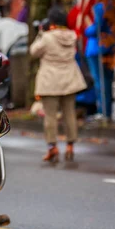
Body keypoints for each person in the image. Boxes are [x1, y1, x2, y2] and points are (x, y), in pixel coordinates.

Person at [30, 8, 87, 162]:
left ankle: (52, 147)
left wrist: (40, 33)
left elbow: (33, 52)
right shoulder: (72, 36)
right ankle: (70, 146)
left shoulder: (47, 38)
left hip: (50, 80)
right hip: (70, 78)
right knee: (70, 113)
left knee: (50, 116)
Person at [84, 0, 115, 121]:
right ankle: (106, 111)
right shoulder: (113, 6)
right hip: (108, 47)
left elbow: (96, 27)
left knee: (101, 81)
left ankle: (103, 111)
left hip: (97, 49)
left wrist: (88, 30)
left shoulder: (101, 7)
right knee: (106, 81)